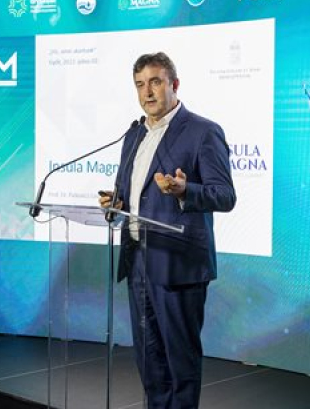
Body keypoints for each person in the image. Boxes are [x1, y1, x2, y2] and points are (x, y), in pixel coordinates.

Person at [99, 52, 236, 409]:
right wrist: (116, 202)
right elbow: (131, 194)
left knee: (180, 363)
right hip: (137, 262)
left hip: (178, 265)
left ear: (174, 84)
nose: (147, 92)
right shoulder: (133, 135)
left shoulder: (203, 132)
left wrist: (185, 191)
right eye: (140, 85)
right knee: (149, 363)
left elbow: (225, 196)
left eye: (155, 82)